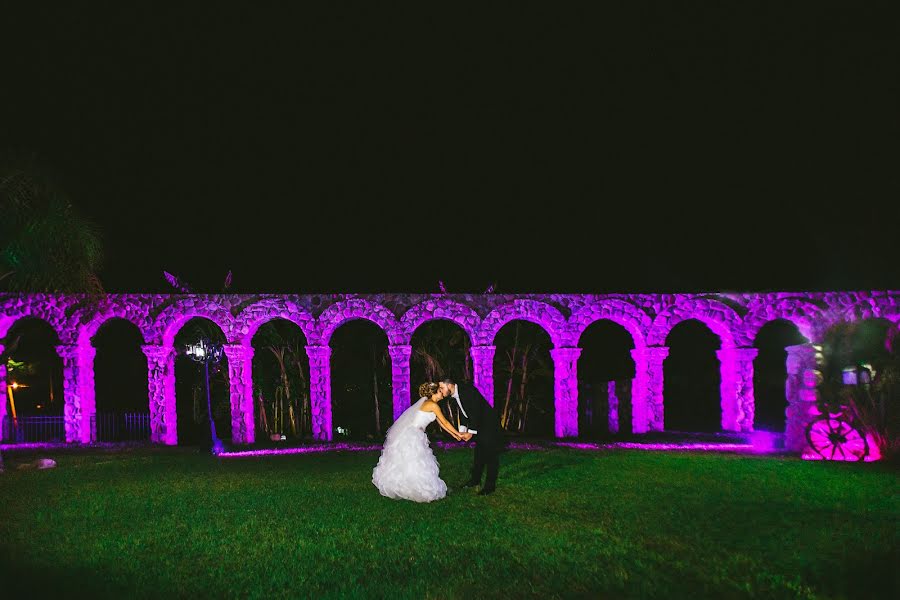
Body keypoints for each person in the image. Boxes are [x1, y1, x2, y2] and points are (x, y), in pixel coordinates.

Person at [372, 382, 471, 502]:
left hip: (412, 433)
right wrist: (458, 433)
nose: (442, 394)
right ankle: (418, 489)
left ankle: (410, 487)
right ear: (434, 392)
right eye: (440, 391)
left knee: (411, 462)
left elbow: (441, 424)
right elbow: (445, 422)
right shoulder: (433, 405)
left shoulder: (428, 404)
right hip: (413, 436)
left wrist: (456, 435)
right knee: (416, 462)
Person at [439, 376, 501, 495]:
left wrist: (471, 432)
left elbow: (476, 411)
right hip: (480, 425)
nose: (441, 390)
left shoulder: (467, 391)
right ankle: (475, 480)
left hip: (489, 425)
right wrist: (462, 430)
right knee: (479, 454)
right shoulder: (456, 394)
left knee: (491, 456)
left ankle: (490, 486)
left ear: (449, 385)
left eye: (442, 387)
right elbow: (464, 412)